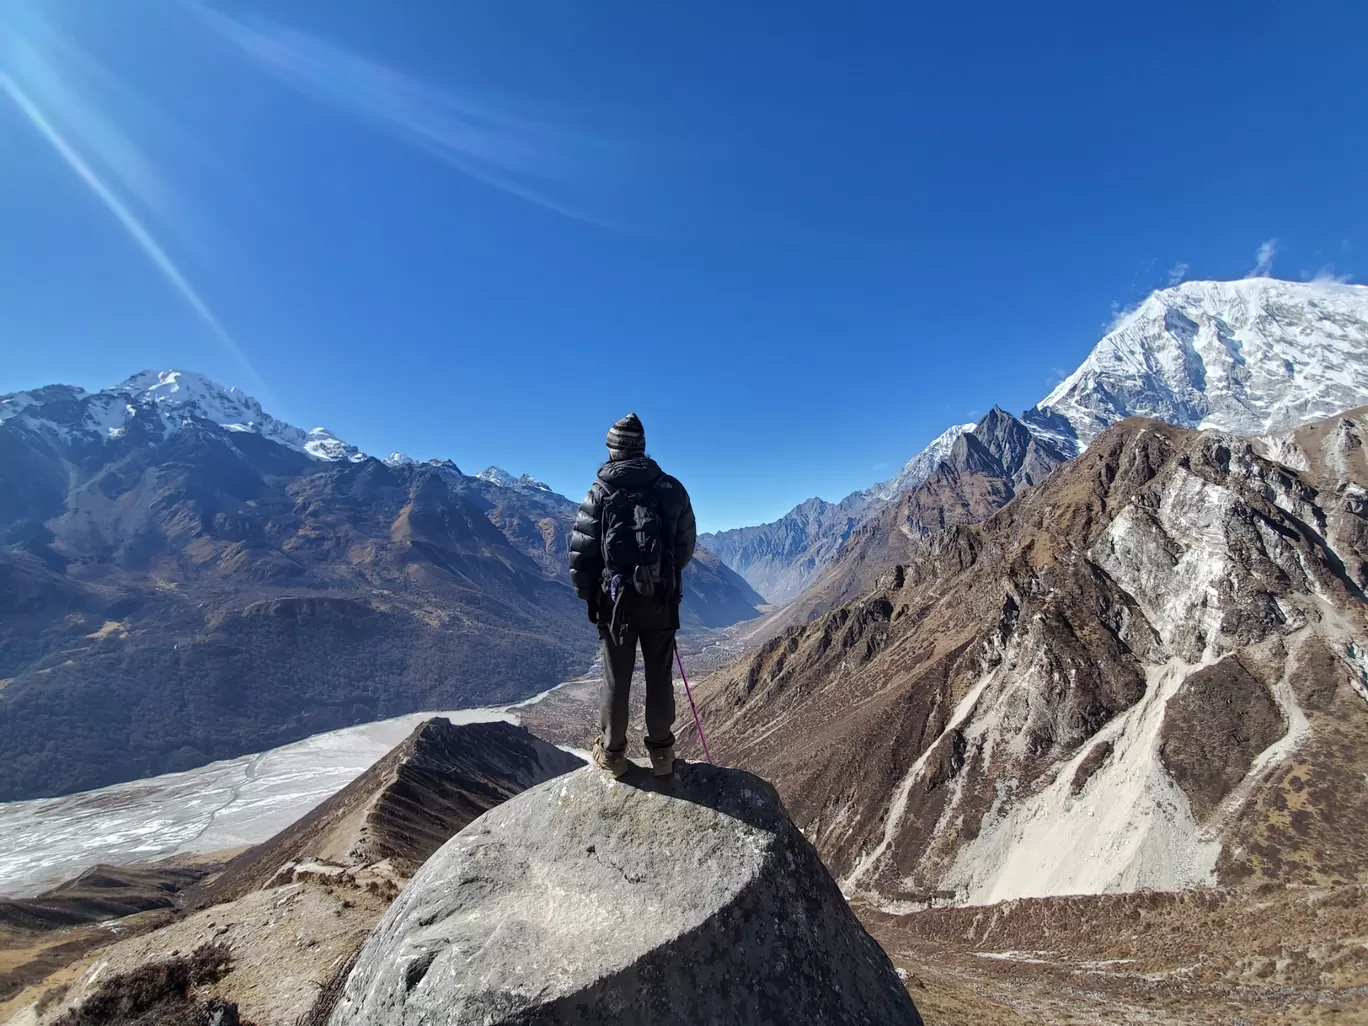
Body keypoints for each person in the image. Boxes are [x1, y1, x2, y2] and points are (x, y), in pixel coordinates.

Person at [569, 413, 697, 778]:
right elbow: (685, 543)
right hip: (660, 600)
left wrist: (590, 598)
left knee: (616, 678)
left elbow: (581, 555)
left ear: (613, 450)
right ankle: (662, 756)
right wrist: (665, 578)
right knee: (659, 675)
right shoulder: (671, 490)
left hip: (616, 605)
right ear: (641, 448)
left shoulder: (599, 494)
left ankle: (612, 755)